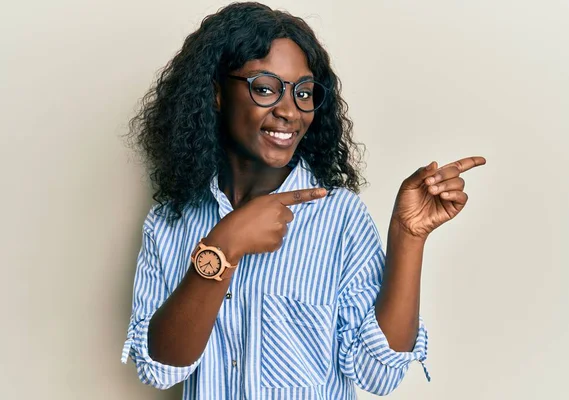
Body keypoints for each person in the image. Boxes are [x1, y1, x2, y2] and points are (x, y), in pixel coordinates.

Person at [121, 2, 486, 399]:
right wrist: (222, 247)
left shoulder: (340, 217)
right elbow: (158, 370)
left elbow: (378, 376)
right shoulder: (170, 221)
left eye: (304, 92)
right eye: (264, 88)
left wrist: (407, 237)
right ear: (216, 94)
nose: (289, 111)